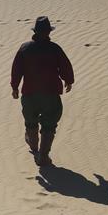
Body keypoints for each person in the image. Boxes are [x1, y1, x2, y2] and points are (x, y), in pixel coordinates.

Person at [10, 16, 74, 166]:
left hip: (30, 93)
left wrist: (14, 87)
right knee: (49, 123)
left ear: (35, 32)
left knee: (30, 121)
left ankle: (35, 149)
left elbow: (16, 69)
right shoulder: (54, 48)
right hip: (50, 93)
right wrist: (68, 80)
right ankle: (43, 155)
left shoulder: (25, 48)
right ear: (48, 32)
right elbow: (65, 66)